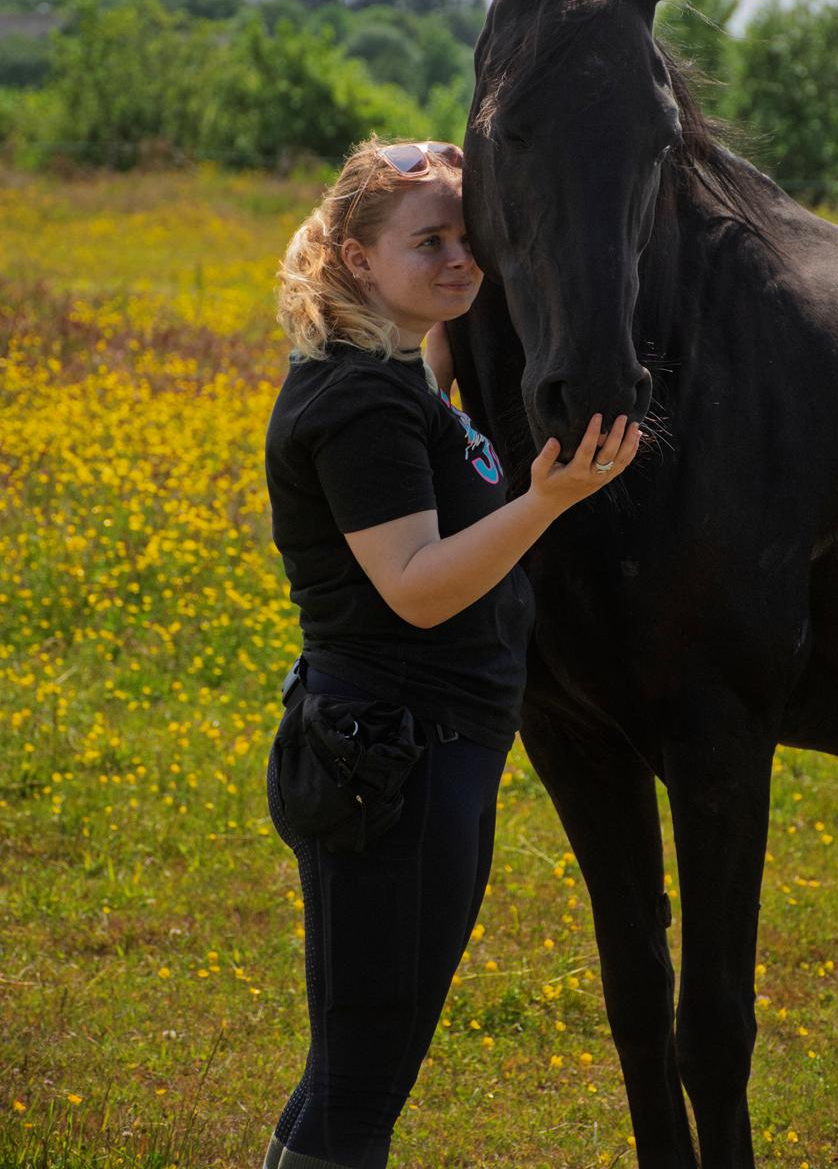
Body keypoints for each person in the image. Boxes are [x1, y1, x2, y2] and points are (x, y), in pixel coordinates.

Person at [261, 137, 641, 1169]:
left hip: (428, 751)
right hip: (389, 758)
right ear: (354, 259)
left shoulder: (399, 373)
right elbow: (418, 586)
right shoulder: (356, 403)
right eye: (428, 242)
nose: (459, 259)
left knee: (368, 1059)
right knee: (360, 1070)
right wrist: (547, 501)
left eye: (468, 239)